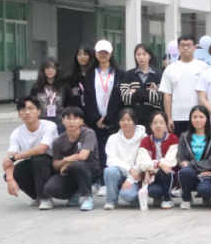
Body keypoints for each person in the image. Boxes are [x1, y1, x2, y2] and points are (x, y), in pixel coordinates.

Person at [83, 40, 125, 189]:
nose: (103, 55)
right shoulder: (90, 74)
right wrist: (96, 118)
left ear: (111, 54)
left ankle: (109, 182)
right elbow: (88, 98)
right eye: (100, 52)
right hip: (96, 120)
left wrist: (109, 118)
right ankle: (98, 180)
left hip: (113, 120)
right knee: (97, 151)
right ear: (95, 54)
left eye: (106, 52)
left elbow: (119, 98)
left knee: (112, 151)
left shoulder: (119, 74)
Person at [4, 97, 58, 209]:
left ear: (38, 111)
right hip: (34, 166)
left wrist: (15, 157)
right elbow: (8, 159)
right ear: (19, 114)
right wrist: (9, 178)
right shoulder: (17, 133)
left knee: (39, 158)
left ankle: (45, 198)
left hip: (54, 165)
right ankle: (37, 196)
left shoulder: (49, 126)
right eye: (23, 109)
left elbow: (41, 149)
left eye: (31, 108)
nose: (27, 112)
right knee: (13, 173)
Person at [44, 107, 101, 211]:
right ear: (63, 121)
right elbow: (56, 165)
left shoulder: (88, 133)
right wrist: (65, 160)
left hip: (90, 169)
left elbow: (83, 156)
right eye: (68, 118)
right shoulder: (58, 141)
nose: (71, 122)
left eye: (75, 118)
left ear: (81, 121)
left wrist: (67, 164)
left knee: (78, 165)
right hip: (70, 172)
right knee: (50, 188)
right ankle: (75, 192)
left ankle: (88, 197)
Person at [160, 35, 210, 135]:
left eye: (189, 45)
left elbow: (207, 94)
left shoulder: (204, 68)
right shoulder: (170, 69)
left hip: (198, 116)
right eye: (183, 45)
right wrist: (169, 118)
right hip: (177, 116)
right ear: (178, 48)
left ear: (195, 47)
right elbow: (167, 95)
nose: (186, 48)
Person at [102, 108, 148, 210]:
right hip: (120, 172)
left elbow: (142, 161)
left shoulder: (143, 138)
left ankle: (135, 197)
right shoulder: (113, 138)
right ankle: (111, 201)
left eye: (129, 119)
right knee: (109, 170)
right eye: (122, 120)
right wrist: (129, 169)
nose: (125, 122)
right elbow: (111, 159)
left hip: (136, 175)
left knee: (127, 195)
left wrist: (130, 179)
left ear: (134, 122)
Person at [175, 105, 211, 210]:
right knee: (185, 171)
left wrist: (191, 164)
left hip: (207, 174)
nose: (198, 120)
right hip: (190, 174)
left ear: (207, 118)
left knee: (205, 189)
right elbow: (180, 159)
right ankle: (186, 199)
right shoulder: (184, 137)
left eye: (201, 117)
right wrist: (193, 167)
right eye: (194, 117)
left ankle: (207, 198)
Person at [136, 111, 178, 210]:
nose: (158, 125)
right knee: (154, 191)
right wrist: (157, 164)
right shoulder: (145, 141)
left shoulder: (173, 138)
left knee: (164, 170)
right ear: (150, 125)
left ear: (166, 125)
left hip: (168, 174)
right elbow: (142, 162)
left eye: (161, 123)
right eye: (155, 123)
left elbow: (169, 161)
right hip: (152, 177)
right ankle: (158, 197)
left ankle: (167, 199)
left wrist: (150, 169)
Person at [119, 44, 162, 130]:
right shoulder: (128, 75)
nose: (141, 57)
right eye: (138, 55)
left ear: (150, 56)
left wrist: (135, 91)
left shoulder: (158, 75)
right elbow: (125, 97)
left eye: (144, 54)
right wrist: (148, 92)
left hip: (152, 118)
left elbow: (158, 96)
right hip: (132, 118)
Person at [32, 58, 66, 131]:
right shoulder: (37, 87)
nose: (50, 70)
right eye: (47, 68)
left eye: (53, 68)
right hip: (42, 119)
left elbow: (68, 104)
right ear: (43, 70)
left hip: (59, 119)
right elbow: (33, 104)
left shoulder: (63, 87)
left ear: (57, 70)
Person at [66, 45, 93, 110]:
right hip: (75, 113)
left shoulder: (95, 76)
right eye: (79, 54)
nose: (82, 57)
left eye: (85, 54)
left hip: (92, 113)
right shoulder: (70, 77)